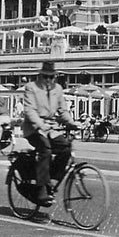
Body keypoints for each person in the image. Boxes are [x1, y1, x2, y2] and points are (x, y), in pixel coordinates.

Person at [23, 61, 78, 206]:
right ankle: (41, 188)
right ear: (40, 76)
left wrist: (72, 123)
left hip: (51, 128)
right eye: (46, 77)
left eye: (51, 77)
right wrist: (40, 125)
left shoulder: (58, 89)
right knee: (45, 149)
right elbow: (30, 111)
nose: (48, 80)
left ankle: (51, 180)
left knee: (66, 147)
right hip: (33, 128)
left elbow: (63, 110)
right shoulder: (31, 88)